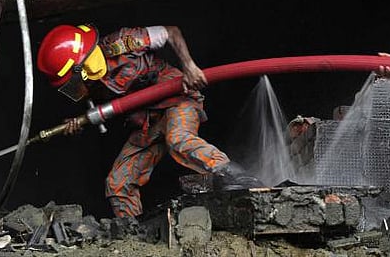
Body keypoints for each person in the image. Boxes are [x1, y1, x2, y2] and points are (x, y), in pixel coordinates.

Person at [36, 24, 260, 218]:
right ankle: (133, 230)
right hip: (148, 120)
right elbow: (96, 110)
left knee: (178, 139)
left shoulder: (123, 42)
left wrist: (189, 66)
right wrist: (77, 125)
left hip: (177, 100)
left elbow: (171, 32)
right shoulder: (90, 82)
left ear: (82, 64)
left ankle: (239, 177)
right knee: (117, 183)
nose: (75, 83)